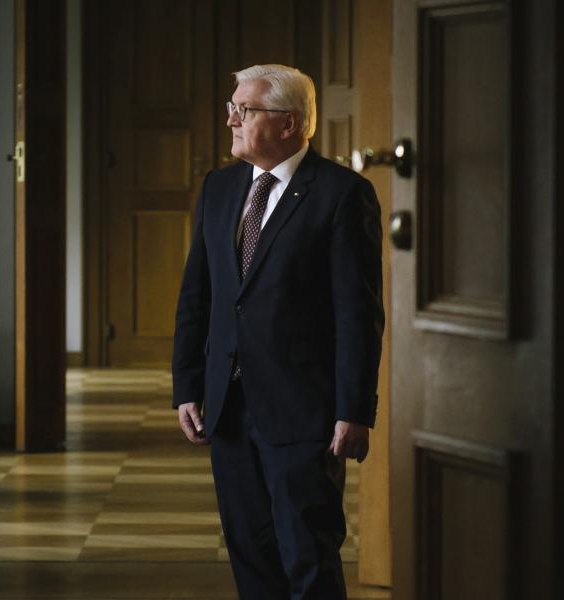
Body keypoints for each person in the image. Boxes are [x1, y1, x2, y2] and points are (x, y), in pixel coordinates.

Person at [171, 63, 384, 600]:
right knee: (251, 556)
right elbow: (198, 296)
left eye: (244, 110)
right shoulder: (219, 189)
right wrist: (188, 386)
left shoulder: (340, 194)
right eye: (232, 108)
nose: (231, 121)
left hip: (303, 411)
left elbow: (357, 312)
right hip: (228, 406)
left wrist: (354, 410)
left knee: (307, 556)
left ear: (289, 124)